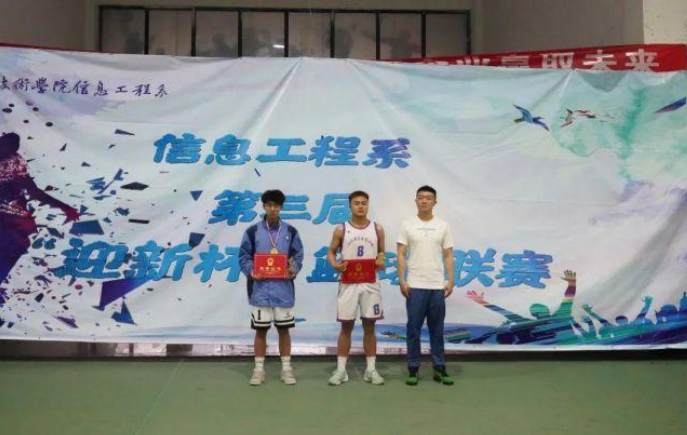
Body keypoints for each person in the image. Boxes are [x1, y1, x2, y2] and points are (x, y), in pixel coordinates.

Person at [0, 132, 79, 301]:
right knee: (13, 246)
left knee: (15, 247)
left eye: (12, 149)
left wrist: (64, 207)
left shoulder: (15, 161)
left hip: (14, 217)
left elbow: (33, 191)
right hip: (9, 219)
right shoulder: (13, 160)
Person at [238, 190, 304, 386]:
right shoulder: (252, 232)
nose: (273, 208)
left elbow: (298, 256)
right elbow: (244, 257)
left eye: (276, 205)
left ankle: (286, 369)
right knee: (260, 331)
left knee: (284, 331)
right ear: (264, 206)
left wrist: (293, 269)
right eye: (269, 205)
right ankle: (258, 370)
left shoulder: (290, 232)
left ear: (281, 207)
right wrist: (252, 271)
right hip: (260, 290)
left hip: (283, 290)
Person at [326, 191, 386, 386]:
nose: (361, 206)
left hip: (370, 283)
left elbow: (382, 253)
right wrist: (335, 265)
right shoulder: (341, 229)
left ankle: (371, 370)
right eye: (357, 203)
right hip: (348, 283)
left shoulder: (377, 229)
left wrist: (381, 260)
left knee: (370, 326)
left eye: (364, 203)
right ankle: (341, 370)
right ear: (350, 206)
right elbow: (330, 252)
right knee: (346, 327)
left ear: (368, 205)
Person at [397, 185, 455, 386]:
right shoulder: (407, 225)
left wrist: (450, 280)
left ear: (434, 202)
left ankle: (439, 368)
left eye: (428, 198)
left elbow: (448, 255)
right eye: (420, 197)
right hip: (415, 285)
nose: (424, 201)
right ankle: (413, 368)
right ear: (416, 201)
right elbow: (401, 254)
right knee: (413, 329)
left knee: (437, 330)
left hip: (437, 286)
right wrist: (402, 280)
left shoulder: (443, 225)